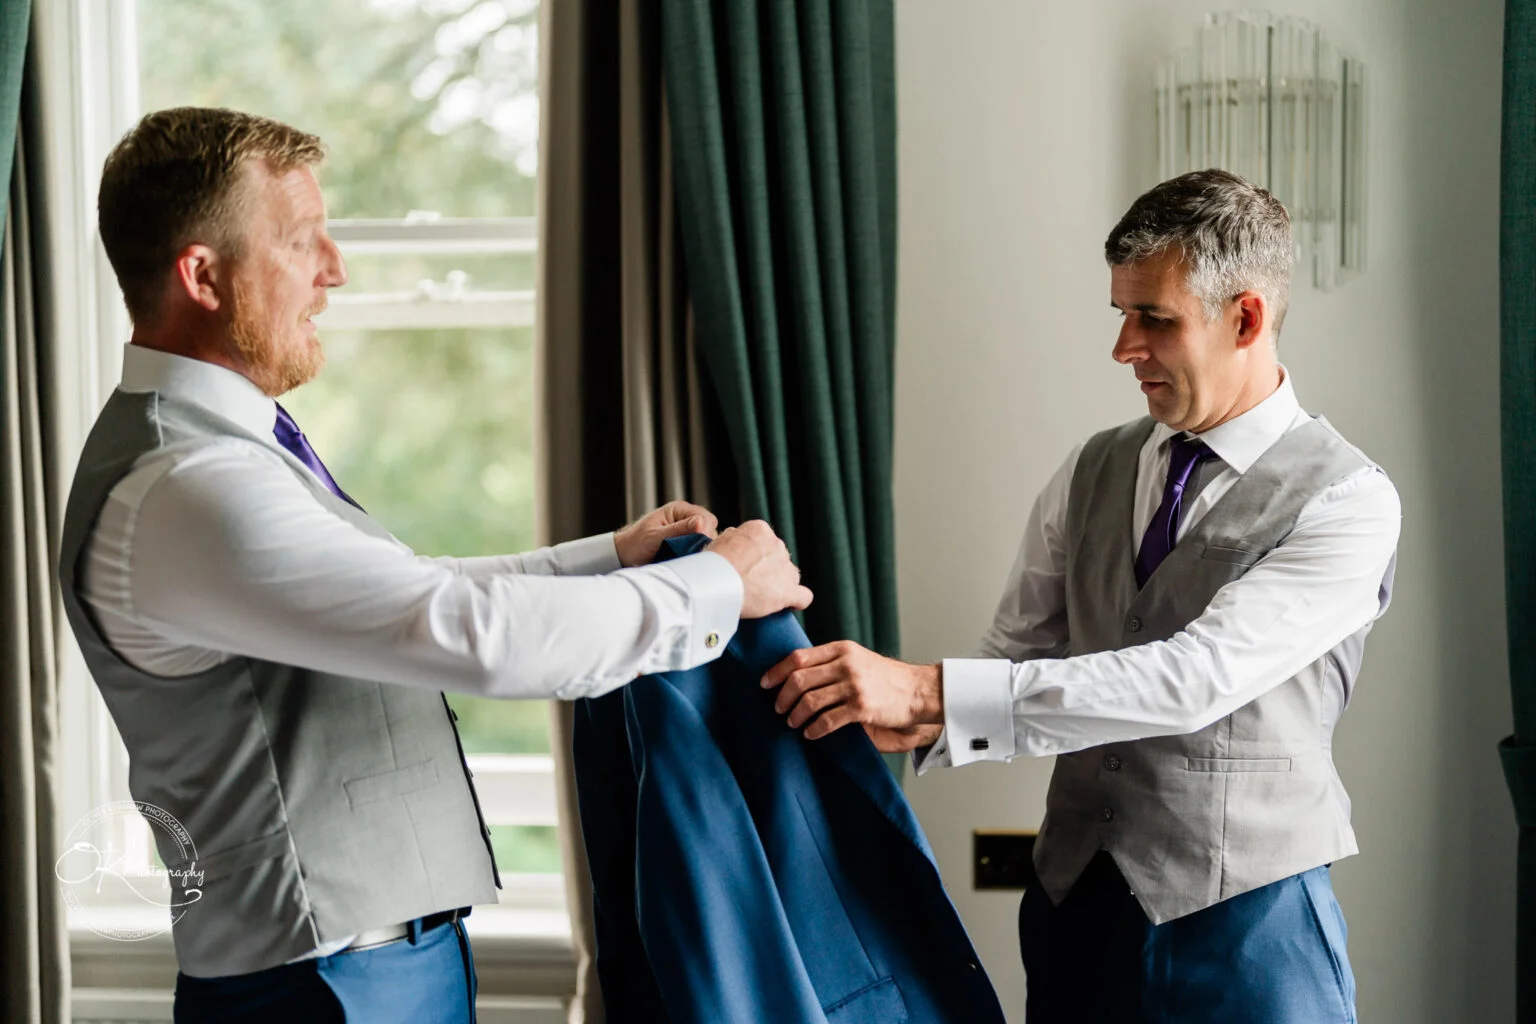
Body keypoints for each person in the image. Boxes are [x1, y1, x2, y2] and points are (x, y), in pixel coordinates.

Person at [57, 106, 811, 1024]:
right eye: (301, 243)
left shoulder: (228, 454)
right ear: (202, 275)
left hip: (377, 968)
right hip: (320, 987)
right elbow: (471, 636)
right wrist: (718, 585)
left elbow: (423, 591)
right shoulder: (185, 487)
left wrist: (612, 559)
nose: (334, 270)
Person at [763, 169, 1400, 1023]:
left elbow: (1193, 679)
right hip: (1074, 914)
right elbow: (1014, 655)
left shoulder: (1348, 500)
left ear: (1245, 317)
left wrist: (928, 691)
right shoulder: (1092, 467)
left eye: (1155, 319)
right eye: (1122, 315)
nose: (1124, 347)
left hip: (1250, 928)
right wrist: (895, 716)